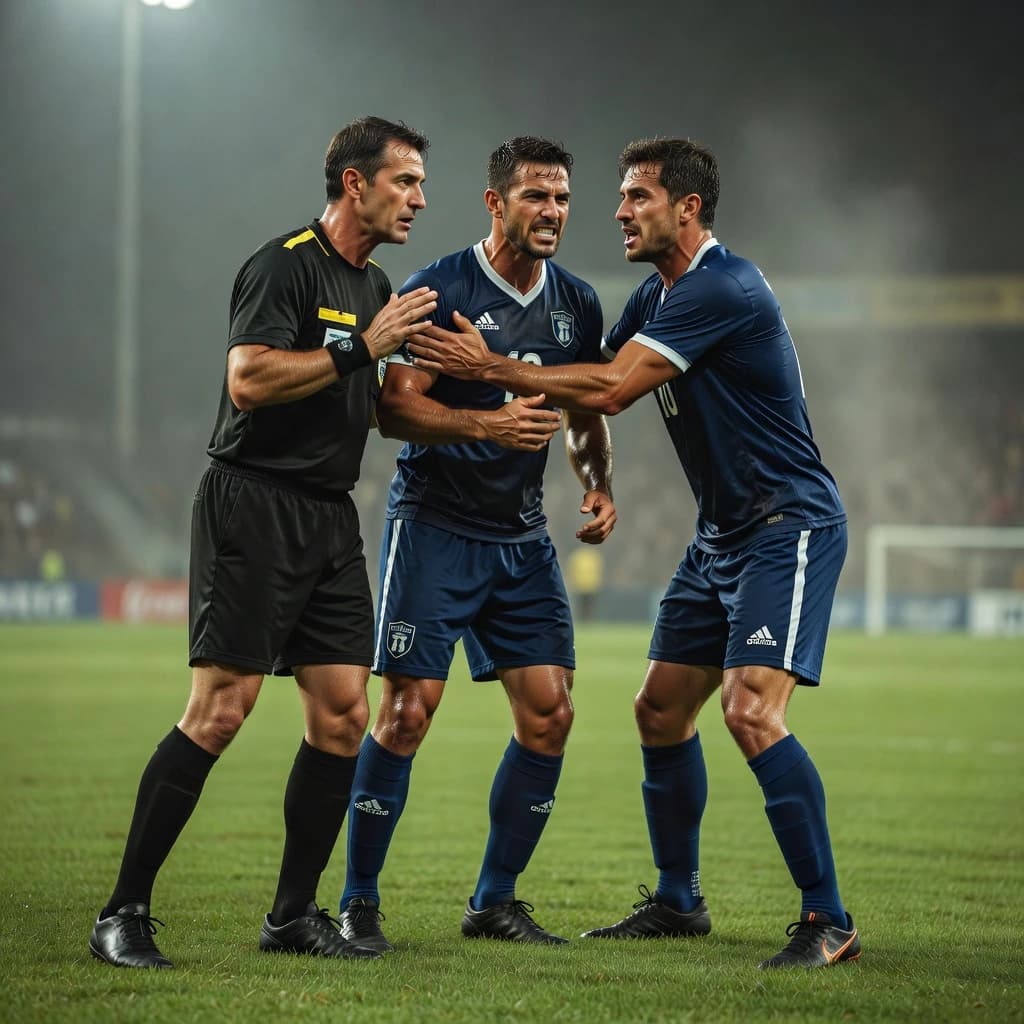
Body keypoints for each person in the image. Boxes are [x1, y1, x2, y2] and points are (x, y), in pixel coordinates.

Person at [407, 137, 860, 970]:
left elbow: (611, 388)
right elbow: (590, 371)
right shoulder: (659, 295)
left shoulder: (722, 285)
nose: (617, 212)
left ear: (686, 208)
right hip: (721, 533)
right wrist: (596, 472)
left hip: (785, 526)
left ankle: (827, 919)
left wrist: (488, 364)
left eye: (636, 197)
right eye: (618, 197)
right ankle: (679, 899)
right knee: (659, 710)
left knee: (751, 712)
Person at [88, 115, 439, 969]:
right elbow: (246, 380)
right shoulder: (282, 264)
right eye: (406, 182)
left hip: (329, 515)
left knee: (344, 715)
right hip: (253, 502)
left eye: (421, 184)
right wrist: (365, 347)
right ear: (354, 184)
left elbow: (384, 406)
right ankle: (121, 914)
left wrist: (486, 418)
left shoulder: (377, 283)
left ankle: (291, 915)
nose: (420, 199)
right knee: (221, 709)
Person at [336, 136, 616, 951]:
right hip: (435, 525)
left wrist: (597, 480)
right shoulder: (440, 287)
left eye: (562, 198)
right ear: (495, 204)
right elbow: (394, 410)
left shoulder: (577, 303)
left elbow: (586, 410)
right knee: (407, 712)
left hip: (520, 538)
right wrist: (486, 422)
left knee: (551, 714)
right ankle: (358, 902)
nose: (553, 212)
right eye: (536, 196)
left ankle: (494, 901)